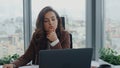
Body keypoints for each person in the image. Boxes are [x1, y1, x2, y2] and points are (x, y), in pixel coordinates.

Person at [3, 6, 70, 68]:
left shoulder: (65, 35)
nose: (51, 23)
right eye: (46, 21)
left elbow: (63, 60)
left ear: (57, 21)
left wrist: (55, 41)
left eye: (53, 19)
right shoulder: (37, 36)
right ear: (42, 23)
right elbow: (26, 57)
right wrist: (13, 64)